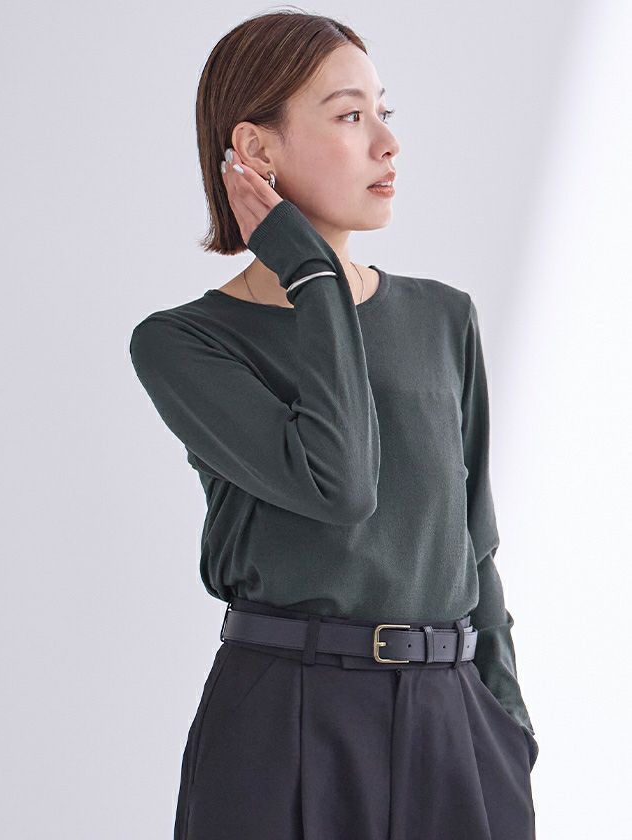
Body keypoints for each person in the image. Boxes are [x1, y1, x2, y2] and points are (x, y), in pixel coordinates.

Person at [129, 10, 538, 840]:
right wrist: (311, 271)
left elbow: (475, 544)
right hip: (284, 716)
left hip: (455, 722)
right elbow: (341, 485)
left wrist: (507, 728)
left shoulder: (442, 318)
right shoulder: (186, 343)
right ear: (257, 150)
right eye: (351, 116)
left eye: (385, 112)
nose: (388, 143)